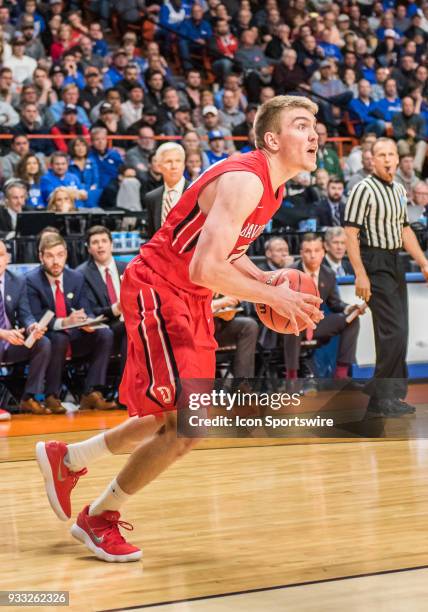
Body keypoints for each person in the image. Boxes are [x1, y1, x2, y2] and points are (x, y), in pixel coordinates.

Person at [35, 95, 323, 562]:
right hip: (159, 288)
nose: (314, 134)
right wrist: (275, 296)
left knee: (173, 418)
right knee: (188, 426)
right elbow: (205, 268)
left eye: (316, 126)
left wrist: (265, 279)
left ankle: (69, 460)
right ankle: (98, 516)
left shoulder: (271, 189)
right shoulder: (245, 181)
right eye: (302, 125)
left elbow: (225, 252)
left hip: (186, 297)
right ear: (272, 139)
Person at [344, 138, 428, 416]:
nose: (388, 159)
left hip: (394, 261)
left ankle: (390, 398)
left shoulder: (398, 190)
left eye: (392, 154)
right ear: (372, 159)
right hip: (373, 260)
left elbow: (405, 230)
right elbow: (350, 234)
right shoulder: (362, 189)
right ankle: (378, 397)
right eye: (382, 155)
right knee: (394, 331)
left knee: (397, 332)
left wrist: (423, 261)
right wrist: (360, 274)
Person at [26, 233, 117, 413]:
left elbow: (85, 308)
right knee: (59, 338)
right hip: (49, 335)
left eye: (60, 255)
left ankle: (91, 392)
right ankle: (52, 395)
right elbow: (36, 315)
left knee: (105, 333)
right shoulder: (31, 280)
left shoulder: (75, 277)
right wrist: (64, 322)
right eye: (50, 256)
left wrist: (87, 321)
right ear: (41, 257)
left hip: (74, 336)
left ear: (66, 254)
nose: (55, 261)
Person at [283, 234, 362, 382]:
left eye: (316, 250)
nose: (313, 255)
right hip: (292, 323)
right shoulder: (289, 273)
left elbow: (335, 304)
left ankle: (341, 374)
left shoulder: (328, 273)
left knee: (352, 320)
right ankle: (291, 377)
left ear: (323, 252)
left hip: (316, 324)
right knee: (293, 322)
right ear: (301, 253)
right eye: (307, 251)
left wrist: (349, 308)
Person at [0, 240, 52, 417]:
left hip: (12, 340)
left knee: (42, 342)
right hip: (2, 336)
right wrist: (3, 334)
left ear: (7, 258)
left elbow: (25, 314)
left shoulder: (16, 281)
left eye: (1, 255)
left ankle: (29, 398)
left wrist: (32, 326)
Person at [78, 226, 127, 376]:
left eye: (104, 241)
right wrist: (116, 308)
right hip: (103, 326)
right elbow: (91, 311)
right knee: (130, 329)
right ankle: (126, 390)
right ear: (89, 249)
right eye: (95, 242)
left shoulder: (127, 268)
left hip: (128, 322)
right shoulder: (81, 274)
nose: (100, 245)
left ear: (111, 245)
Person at [144, 142, 189, 237]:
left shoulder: (197, 192)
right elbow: (152, 237)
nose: (174, 166)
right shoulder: (151, 198)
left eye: (178, 161)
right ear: (159, 166)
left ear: (184, 165)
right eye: (169, 161)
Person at [68, 137, 101, 208]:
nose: (81, 148)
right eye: (77, 146)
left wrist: (88, 192)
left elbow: (96, 181)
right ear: (72, 148)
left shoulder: (92, 162)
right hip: (74, 194)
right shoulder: (68, 164)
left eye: (83, 145)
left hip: (90, 194)